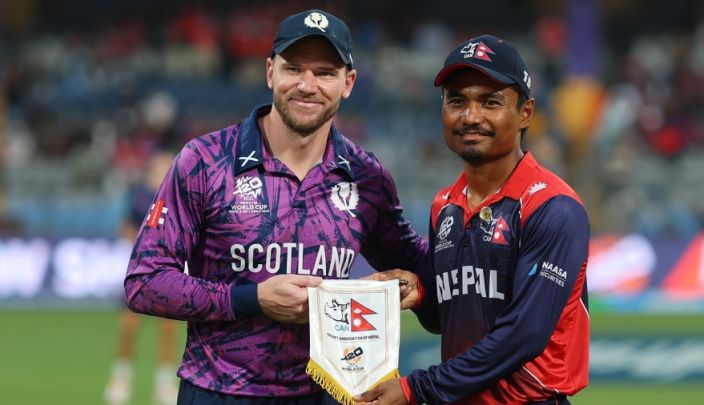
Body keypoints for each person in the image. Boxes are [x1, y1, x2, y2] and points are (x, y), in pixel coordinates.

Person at [124, 8, 428, 405]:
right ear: (270, 72)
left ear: (348, 83)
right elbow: (145, 282)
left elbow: (415, 265)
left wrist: (412, 284)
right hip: (219, 392)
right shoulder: (205, 160)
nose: (307, 85)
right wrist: (252, 298)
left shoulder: (367, 177)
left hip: (325, 393)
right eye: (294, 69)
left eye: (325, 73)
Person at [354, 35, 591, 405]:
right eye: (456, 100)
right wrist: (421, 294)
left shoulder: (553, 207)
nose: (470, 116)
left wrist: (415, 389)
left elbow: (523, 334)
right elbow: (448, 320)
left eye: (490, 101)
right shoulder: (445, 206)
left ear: (525, 113)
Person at [105, 150, 180, 405]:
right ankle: (120, 378)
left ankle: (165, 383)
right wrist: (140, 246)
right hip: (141, 270)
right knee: (129, 326)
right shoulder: (139, 196)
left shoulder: (178, 195)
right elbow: (126, 226)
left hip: (169, 271)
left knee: (168, 328)